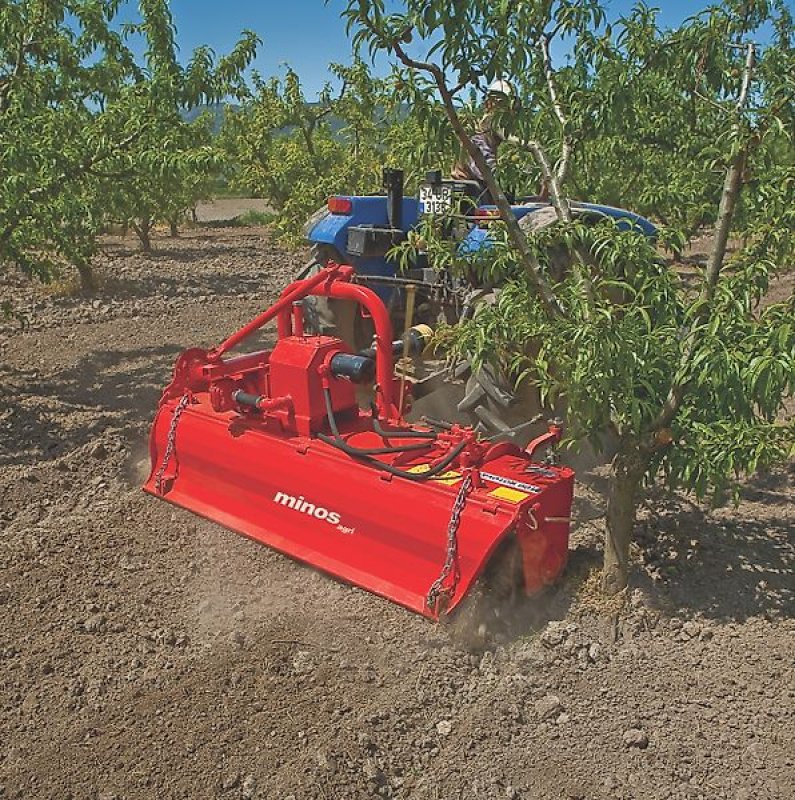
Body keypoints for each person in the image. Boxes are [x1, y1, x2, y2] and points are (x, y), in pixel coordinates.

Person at [451, 79, 515, 204]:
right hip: (471, 199)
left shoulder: (493, 138)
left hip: (481, 196)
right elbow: (485, 169)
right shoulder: (478, 136)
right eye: (503, 105)